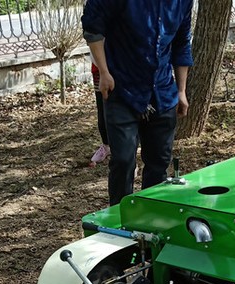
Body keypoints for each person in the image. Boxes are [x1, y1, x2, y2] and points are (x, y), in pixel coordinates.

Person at [82, 0, 194, 206]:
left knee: (158, 165)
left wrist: (181, 90)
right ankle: (118, 220)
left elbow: (181, 43)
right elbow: (92, 27)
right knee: (123, 161)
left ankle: (150, 216)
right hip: (121, 90)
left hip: (162, 92)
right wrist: (104, 73)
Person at [89, 62, 110, 167]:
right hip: (100, 68)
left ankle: (129, 155)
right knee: (102, 110)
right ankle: (106, 146)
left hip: (124, 65)